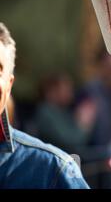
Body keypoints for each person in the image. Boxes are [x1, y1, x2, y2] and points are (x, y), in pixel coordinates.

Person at [0, 22, 89, 188]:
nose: (69, 92)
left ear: (9, 85)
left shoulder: (53, 170)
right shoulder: (46, 112)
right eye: (64, 87)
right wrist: (83, 124)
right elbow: (70, 139)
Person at [35, 73, 96, 156]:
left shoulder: (64, 111)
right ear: (52, 91)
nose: (71, 94)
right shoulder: (45, 113)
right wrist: (84, 124)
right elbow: (71, 143)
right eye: (66, 90)